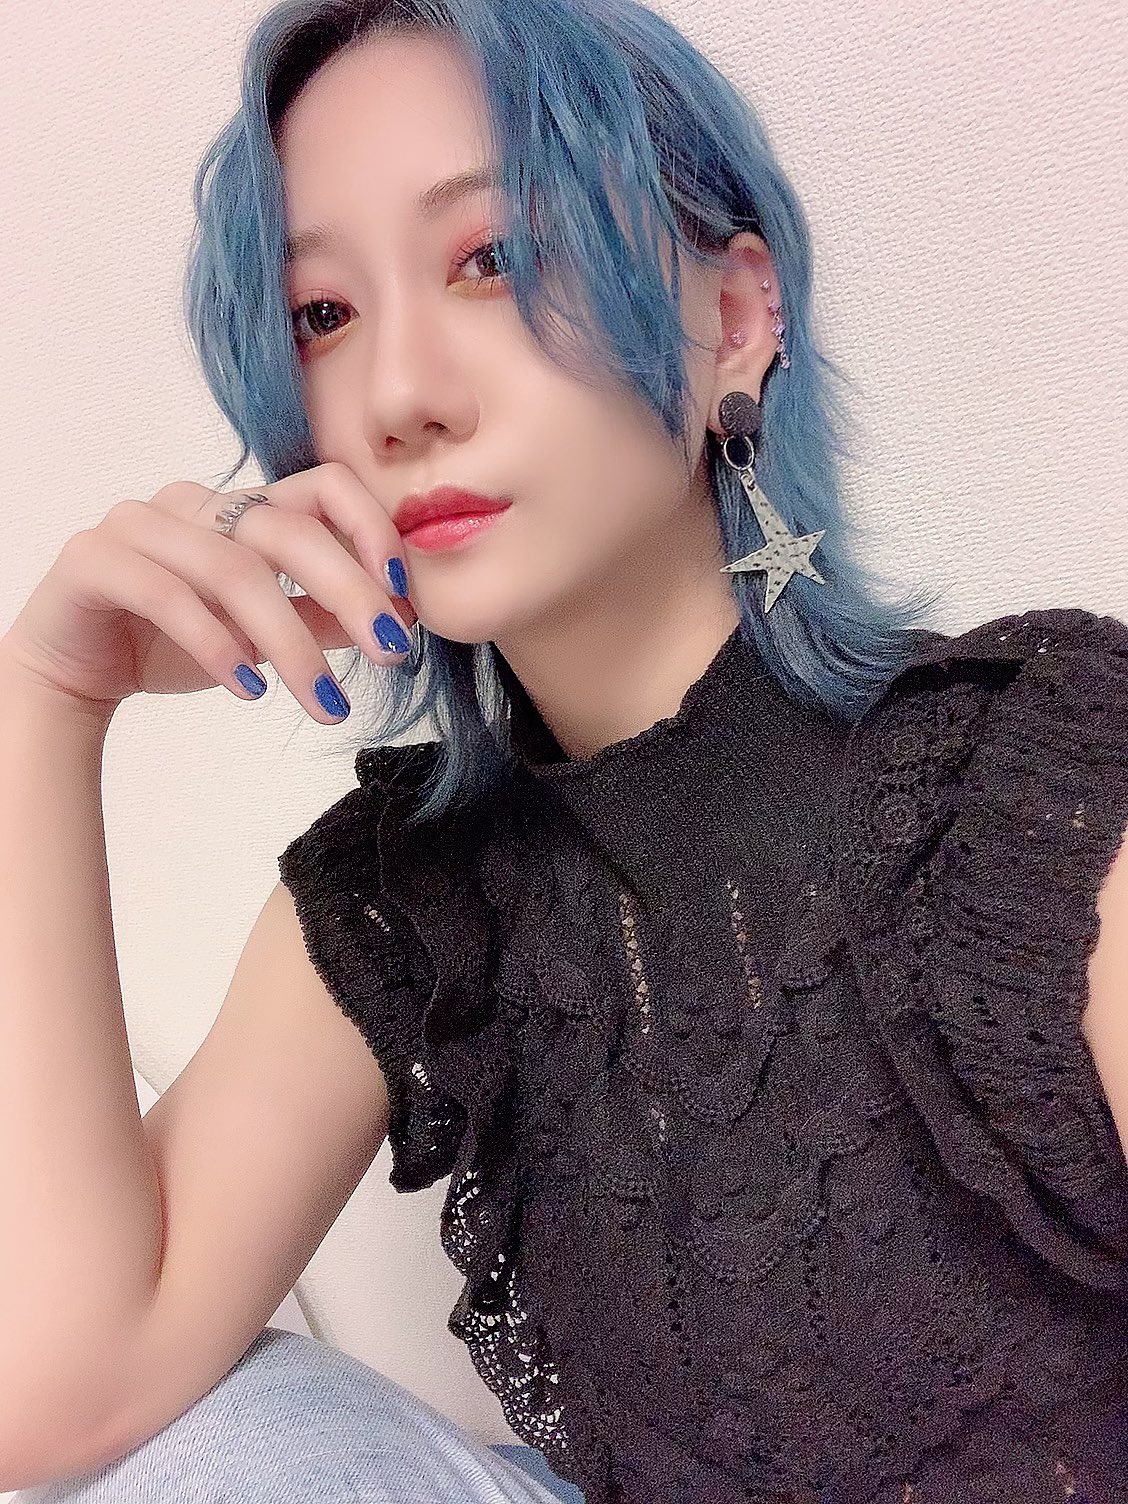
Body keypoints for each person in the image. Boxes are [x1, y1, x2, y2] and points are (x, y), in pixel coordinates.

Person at [2, 0, 1127, 1500]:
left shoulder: (1031, 776)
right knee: (215, 1446)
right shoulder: (412, 898)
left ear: (735, 320)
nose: (400, 398)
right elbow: (59, 1398)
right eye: (322, 314)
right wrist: (45, 703)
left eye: (493, 259)